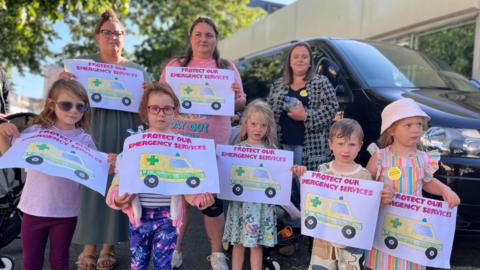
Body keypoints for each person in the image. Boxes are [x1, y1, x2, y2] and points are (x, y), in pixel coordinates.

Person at [59, 9, 152, 270]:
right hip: (91, 128)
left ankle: (108, 247)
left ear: (125, 38)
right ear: (97, 37)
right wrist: (63, 82)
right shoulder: (82, 66)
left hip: (126, 132)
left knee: (117, 185)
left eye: (119, 33)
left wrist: (148, 94)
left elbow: (150, 110)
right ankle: (88, 248)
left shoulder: (137, 71)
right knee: (90, 187)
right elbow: (64, 99)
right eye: (108, 32)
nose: (114, 37)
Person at [159, 16, 246, 270]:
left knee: (211, 202)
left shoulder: (226, 66)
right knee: (178, 199)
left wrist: (234, 97)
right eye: (198, 34)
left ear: (216, 39)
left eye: (208, 35)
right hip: (179, 142)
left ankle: (217, 254)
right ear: (190, 38)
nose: (203, 39)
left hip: (212, 145)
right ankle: (174, 250)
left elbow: (240, 103)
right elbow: (161, 97)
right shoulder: (176, 65)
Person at [105, 82, 215, 269]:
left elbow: (186, 183)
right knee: (137, 265)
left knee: (163, 265)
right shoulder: (134, 144)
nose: (161, 113)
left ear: (175, 111)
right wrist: (117, 197)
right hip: (139, 217)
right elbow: (120, 178)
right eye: (154, 108)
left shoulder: (182, 146)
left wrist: (199, 199)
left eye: (167, 109)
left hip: (168, 218)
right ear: (145, 111)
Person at [0, 79, 94, 270]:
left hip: (66, 212)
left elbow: (94, 172)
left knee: (60, 261)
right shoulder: (35, 132)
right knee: (31, 262)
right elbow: (11, 157)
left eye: (80, 106)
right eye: (67, 105)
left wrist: (111, 164)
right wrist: (1, 133)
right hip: (33, 210)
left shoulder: (85, 139)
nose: (73, 110)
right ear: (52, 104)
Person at [365, 98, 460, 270]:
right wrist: (378, 191)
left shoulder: (423, 158)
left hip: (413, 226)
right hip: (386, 222)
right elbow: (365, 184)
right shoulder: (380, 157)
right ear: (391, 130)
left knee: (411, 262)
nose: (416, 129)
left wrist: (445, 190)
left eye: (419, 124)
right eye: (408, 125)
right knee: (383, 260)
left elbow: (427, 182)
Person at [222, 100, 305, 270]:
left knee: (256, 246)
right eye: (253, 124)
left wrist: (293, 171)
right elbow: (228, 171)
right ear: (246, 123)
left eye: (263, 125)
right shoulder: (237, 148)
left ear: (269, 127)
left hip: (261, 208)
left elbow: (280, 175)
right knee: (238, 244)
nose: (258, 129)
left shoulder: (272, 151)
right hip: (241, 206)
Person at [267, 42, 338, 208]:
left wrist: (306, 116)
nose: (300, 60)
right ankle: (292, 227)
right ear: (290, 61)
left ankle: (310, 226)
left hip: (310, 148)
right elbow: (268, 110)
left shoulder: (321, 82)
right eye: (296, 56)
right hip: (282, 145)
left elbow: (332, 108)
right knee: (287, 188)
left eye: (304, 56)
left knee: (308, 189)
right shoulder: (278, 84)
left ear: (310, 61)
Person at [306, 118, 373, 270]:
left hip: (352, 241)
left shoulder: (364, 176)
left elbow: (367, 209)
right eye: (340, 144)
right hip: (323, 238)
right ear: (330, 144)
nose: (346, 150)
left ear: (360, 146)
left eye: (352, 144)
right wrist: (302, 176)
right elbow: (314, 198)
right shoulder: (322, 170)